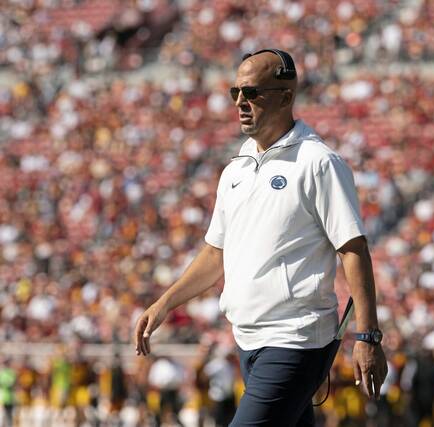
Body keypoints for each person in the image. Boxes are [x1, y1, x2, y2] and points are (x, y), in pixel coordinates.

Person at [133, 48, 388, 426]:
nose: (240, 102)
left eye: (252, 92)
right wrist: (166, 302)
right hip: (247, 338)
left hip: (295, 337)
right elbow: (214, 253)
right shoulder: (235, 169)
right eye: (235, 92)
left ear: (286, 97)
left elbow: (353, 249)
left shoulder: (317, 162)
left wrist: (368, 336)